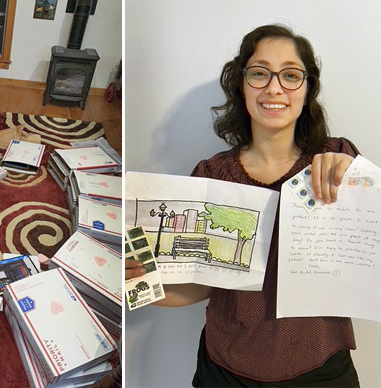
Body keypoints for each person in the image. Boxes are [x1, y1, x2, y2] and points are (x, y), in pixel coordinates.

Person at [125, 24, 360, 386]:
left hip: (321, 368)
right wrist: (137, 286)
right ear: (241, 84)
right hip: (226, 372)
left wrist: (358, 181)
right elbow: (202, 285)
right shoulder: (211, 176)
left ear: (308, 87)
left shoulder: (336, 160)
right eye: (259, 73)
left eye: (291, 75)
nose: (274, 87)